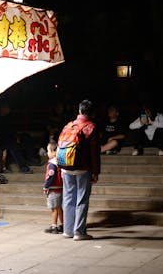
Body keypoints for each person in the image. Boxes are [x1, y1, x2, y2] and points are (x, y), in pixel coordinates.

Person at [61, 99, 100, 241]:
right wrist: (96, 172)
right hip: (83, 168)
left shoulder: (69, 125)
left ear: (79, 111)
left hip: (66, 167)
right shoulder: (90, 127)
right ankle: (79, 232)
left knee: (68, 198)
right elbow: (94, 153)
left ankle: (67, 230)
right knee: (81, 200)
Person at [0, 100, 33, 174]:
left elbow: (12, 130)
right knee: (12, 145)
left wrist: (16, 137)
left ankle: (31, 159)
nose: (9, 109)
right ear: (3, 108)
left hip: (9, 138)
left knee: (26, 137)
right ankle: (23, 167)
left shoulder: (8, 118)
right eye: (7, 108)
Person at [43, 140, 63, 234]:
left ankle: (54, 226)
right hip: (60, 188)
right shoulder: (59, 161)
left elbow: (51, 176)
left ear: (54, 152)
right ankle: (63, 225)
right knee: (59, 208)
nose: (47, 153)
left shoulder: (52, 164)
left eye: (48, 151)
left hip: (54, 189)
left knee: (54, 208)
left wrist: (46, 186)